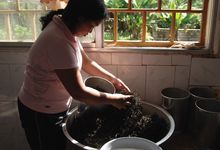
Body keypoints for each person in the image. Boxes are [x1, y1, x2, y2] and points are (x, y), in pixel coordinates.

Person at [17, 0, 133, 150]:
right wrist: (113, 100)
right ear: (80, 18)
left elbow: (86, 63)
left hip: (52, 107)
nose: (91, 31)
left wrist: (113, 80)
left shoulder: (66, 31)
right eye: (91, 26)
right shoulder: (58, 40)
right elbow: (79, 92)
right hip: (40, 112)